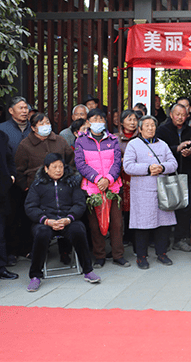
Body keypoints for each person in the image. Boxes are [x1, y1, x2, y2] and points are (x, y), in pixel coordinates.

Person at [24, 153, 101, 292]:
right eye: (54, 167)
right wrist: (46, 220)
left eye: (61, 166)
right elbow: (30, 207)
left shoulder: (71, 182)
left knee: (79, 230)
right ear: (46, 168)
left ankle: (88, 271)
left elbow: (79, 204)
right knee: (41, 234)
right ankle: (35, 276)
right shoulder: (38, 184)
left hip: (67, 220)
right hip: (46, 221)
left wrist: (68, 218)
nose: (59, 170)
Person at [74, 108, 128, 268]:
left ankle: (118, 255)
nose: (98, 122)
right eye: (94, 119)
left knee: (117, 224)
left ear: (105, 122)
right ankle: (99, 256)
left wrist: (108, 179)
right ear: (88, 122)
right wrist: (98, 179)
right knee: (95, 224)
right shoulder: (81, 141)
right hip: (93, 188)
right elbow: (80, 164)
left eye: (101, 119)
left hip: (113, 187)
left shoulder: (113, 139)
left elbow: (117, 162)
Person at [123, 115, 178, 269]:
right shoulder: (133, 144)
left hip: (162, 190)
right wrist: (148, 169)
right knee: (143, 225)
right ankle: (141, 257)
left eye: (153, 125)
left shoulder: (163, 144)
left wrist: (162, 168)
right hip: (142, 191)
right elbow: (128, 166)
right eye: (146, 125)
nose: (150, 128)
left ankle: (162, 253)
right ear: (140, 129)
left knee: (163, 224)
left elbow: (173, 163)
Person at [156, 103, 191, 253]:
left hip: (186, 174)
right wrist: (177, 148)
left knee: (185, 208)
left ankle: (180, 239)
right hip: (167, 175)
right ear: (171, 114)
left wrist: (190, 153)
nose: (180, 117)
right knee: (166, 207)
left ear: (187, 116)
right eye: (177, 114)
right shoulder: (162, 130)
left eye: (183, 115)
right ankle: (163, 241)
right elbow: (158, 151)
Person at [0, 97, 33, 262]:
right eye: (21, 108)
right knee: (11, 216)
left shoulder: (34, 127)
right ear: (11, 111)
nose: (25, 111)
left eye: (26, 108)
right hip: (10, 181)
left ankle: (27, 248)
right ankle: (11, 251)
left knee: (28, 215)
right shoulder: (2, 129)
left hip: (31, 181)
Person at [115, 109, 139, 246]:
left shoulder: (141, 137)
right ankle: (124, 236)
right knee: (121, 208)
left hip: (136, 176)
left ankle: (134, 237)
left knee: (135, 207)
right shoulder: (114, 138)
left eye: (135, 119)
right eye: (129, 119)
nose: (133, 122)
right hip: (120, 176)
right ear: (122, 122)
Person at [0, 131, 18, 280]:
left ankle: (0, 267)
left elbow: (9, 158)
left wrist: (11, 175)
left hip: (1, 191)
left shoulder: (2, 136)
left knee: (0, 233)